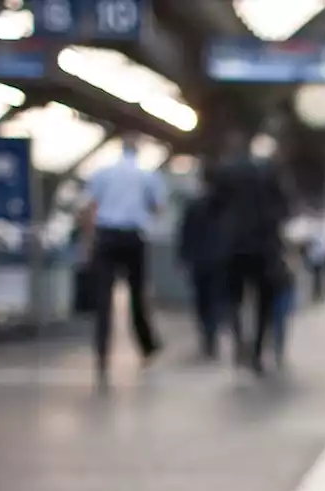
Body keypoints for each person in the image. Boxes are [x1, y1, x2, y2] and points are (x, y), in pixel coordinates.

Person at [80, 132, 167, 384]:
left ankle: (102, 349)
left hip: (106, 236)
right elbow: (159, 207)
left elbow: (89, 208)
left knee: (103, 296)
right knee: (137, 294)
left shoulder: (103, 173)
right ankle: (146, 345)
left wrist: (88, 242)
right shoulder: (147, 175)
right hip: (133, 237)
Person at [208, 128, 290, 375]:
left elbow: (213, 207)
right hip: (264, 245)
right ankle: (257, 351)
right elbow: (283, 207)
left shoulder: (224, 173)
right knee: (265, 300)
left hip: (232, 245)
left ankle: (238, 337)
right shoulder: (268, 173)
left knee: (232, 297)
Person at [177, 165, 222, 360]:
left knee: (201, 300)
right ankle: (213, 334)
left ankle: (206, 336)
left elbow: (185, 233)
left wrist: (183, 256)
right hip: (219, 260)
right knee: (216, 299)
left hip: (199, 260)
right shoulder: (223, 206)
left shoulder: (193, 206)